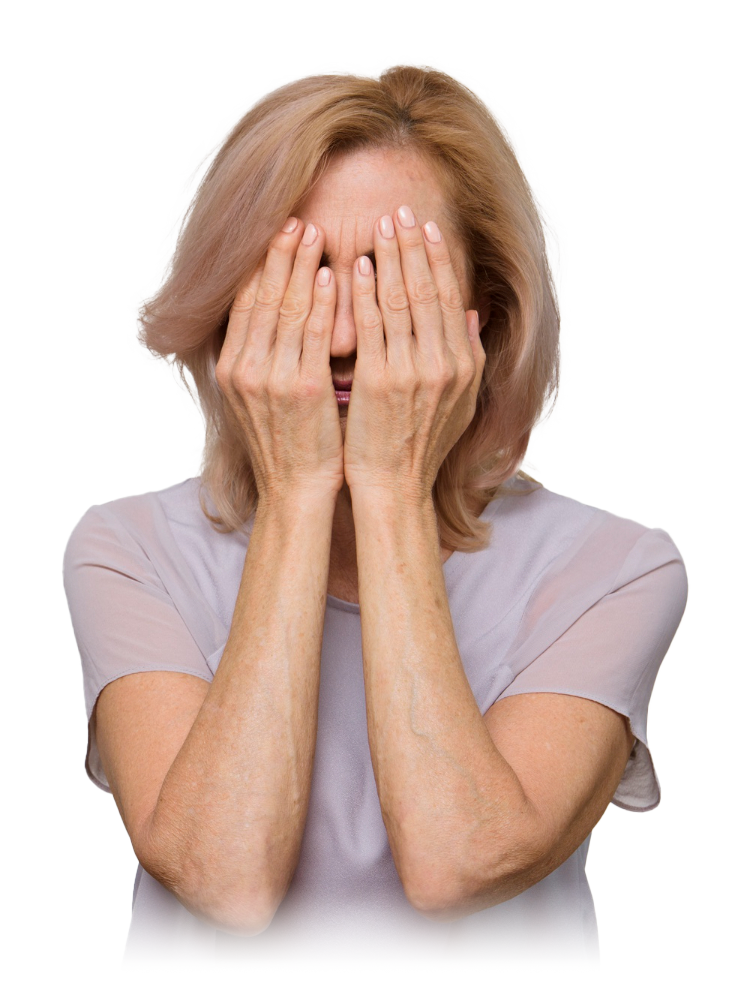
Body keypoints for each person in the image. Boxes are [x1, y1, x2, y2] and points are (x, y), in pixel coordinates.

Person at [62, 63, 689, 973]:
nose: (347, 335)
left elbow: (456, 859)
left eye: (393, 279)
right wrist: (299, 491)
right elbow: (225, 875)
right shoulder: (129, 554)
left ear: (486, 314)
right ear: (232, 301)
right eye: (304, 276)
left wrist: (392, 485)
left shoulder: (613, 573)